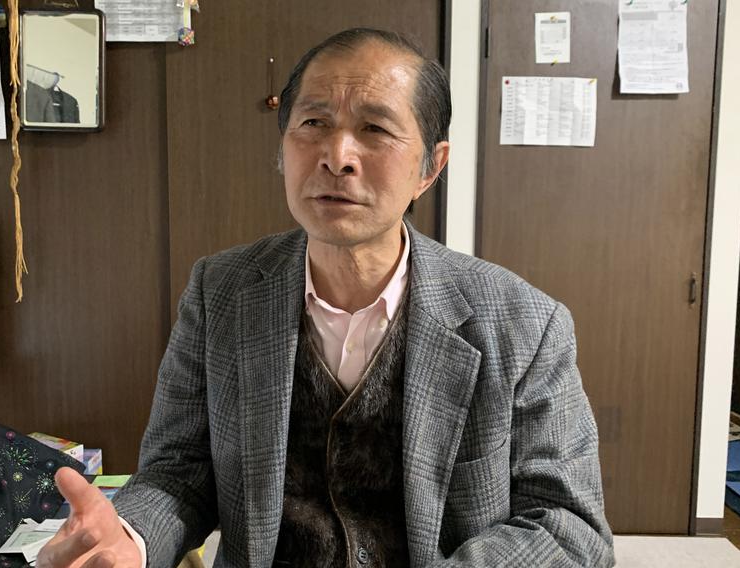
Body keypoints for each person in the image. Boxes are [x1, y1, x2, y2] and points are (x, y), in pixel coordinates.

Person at [37, 28, 614, 568]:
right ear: (282, 147)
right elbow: (179, 473)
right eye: (312, 122)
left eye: (376, 129)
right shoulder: (222, 292)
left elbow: (569, 524)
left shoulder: (524, 322)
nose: (337, 155)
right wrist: (130, 538)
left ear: (430, 167)